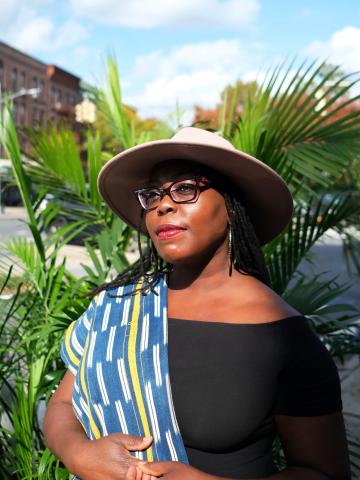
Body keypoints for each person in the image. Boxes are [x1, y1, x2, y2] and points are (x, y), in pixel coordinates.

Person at [44, 127, 351, 480]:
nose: (163, 204)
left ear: (232, 207)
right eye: (153, 194)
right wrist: (77, 452)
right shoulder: (120, 306)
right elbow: (62, 404)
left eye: (186, 188)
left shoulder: (286, 336)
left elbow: (325, 473)